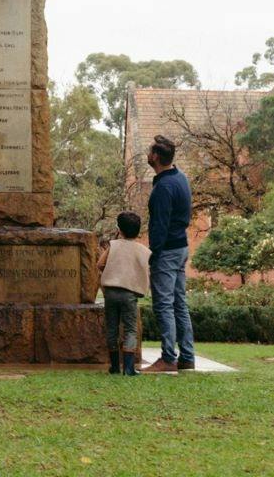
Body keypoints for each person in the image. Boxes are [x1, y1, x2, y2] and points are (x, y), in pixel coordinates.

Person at [142, 134, 195, 373]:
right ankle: (187, 356)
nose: (147, 154)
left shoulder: (163, 187)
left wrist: (153, 255)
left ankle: (167, 358)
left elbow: (160, 226)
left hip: (168, 250)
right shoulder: (180, 178)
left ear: (156, 157)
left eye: (150, 151)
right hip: (181, 247)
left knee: (163, 305)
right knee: (179, 304)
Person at [97, 210, 150, 376]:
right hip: (129, 295)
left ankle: (114, 366)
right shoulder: (143, 250)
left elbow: (100, 264)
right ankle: (128, 368)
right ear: (138, 231)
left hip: (111, 293)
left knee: (112, 328)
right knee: (130, 330)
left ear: (119, 230)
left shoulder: (113, 245)